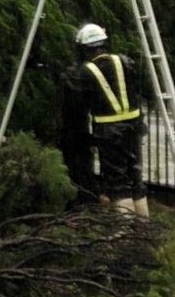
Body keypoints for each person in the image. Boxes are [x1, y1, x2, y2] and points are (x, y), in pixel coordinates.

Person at [63, 23, 148, 218]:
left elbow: (75, 102)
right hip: (134, 129)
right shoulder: (125, 62)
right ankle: (145, 227)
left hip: (110, 133)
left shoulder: (84, 72)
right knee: (135, 177)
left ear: (84, 48)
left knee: (118, 183)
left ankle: (126, 234)